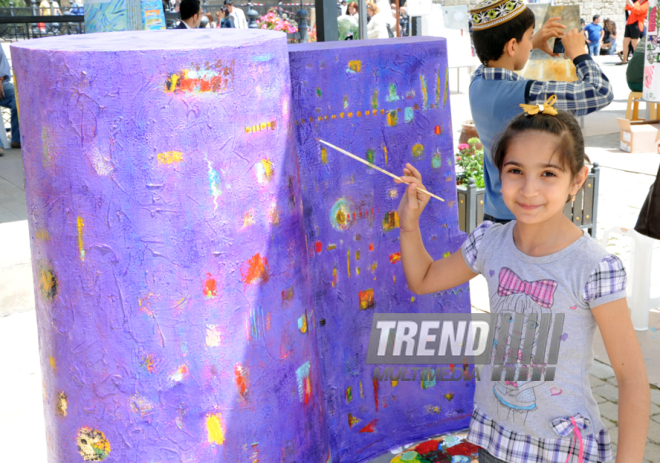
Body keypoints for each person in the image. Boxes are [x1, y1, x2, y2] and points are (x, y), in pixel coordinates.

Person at [396, 107, 650, 463]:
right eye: (516, 171)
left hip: (562, 449)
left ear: (577, 180)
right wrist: (409, 223)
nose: (529, 189)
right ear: (499, 174)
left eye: (548, 173)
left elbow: (632, 379)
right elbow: (423, 279)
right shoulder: (489, 243)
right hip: (495, 441)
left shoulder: (593, 267)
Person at [468, 0, 613, 224]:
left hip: (496, 210)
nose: (531, 43)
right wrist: (580, 55)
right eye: (529, 37)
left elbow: (496, 60)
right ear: (512, 46)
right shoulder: (523, 94)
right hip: (526, 216)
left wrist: (531, 42)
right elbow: (600, 92)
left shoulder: (477, 82)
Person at [0, 47, 20, 152]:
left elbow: (2, 62)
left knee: (18, 99)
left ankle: (17, 139)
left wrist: (0, 79)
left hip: (1, 83)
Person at [619, 0, 648, 64]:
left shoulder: (646, 3)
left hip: (636, 23)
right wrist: (628, 4)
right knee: (625, 42)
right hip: (629, 23)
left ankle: (637, 60)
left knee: (634, 43)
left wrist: (632, 6)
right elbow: (629, 8)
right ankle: (625, 59)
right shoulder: (638, 1)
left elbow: (639, 11)